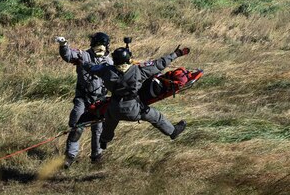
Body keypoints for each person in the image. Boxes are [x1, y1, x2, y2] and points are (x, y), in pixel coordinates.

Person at [81, 42, 190, 150]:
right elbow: (159, 64)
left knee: (109, 124)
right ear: (128, 59)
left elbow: (91, 67)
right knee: (156, 116)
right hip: (133, 110)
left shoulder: (106, 71)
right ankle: (173, 131)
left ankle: (104, 141)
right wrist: (177, 53)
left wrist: (81, 62)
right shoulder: (138, 71)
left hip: (114, 108)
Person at [55, 32, 113, 168]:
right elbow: (68, 55)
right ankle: (69, 157)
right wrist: (64, 45)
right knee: (76, 126)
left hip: (100, 100)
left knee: (98, 129)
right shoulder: (83, 55)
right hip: (83, 98)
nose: (100, 48)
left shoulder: (110, 61)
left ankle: (96, 157)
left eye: (101, 45)